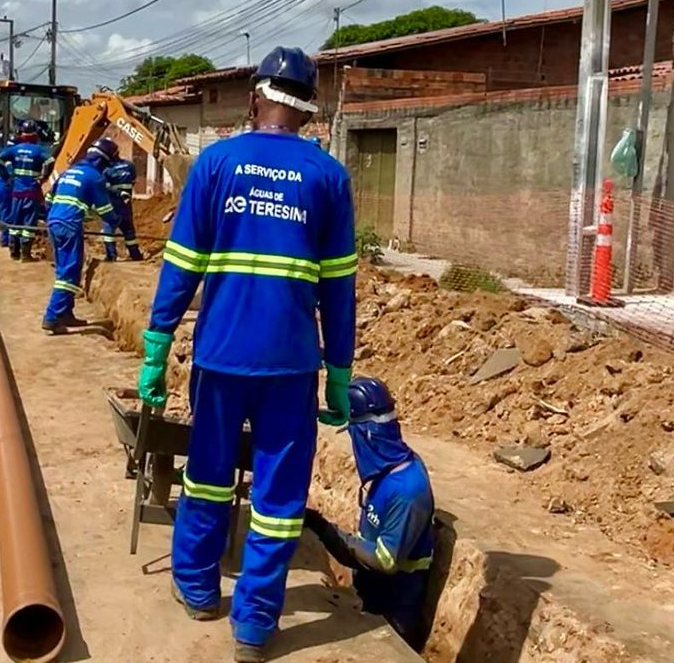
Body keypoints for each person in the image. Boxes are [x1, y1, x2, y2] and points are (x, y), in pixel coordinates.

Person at [136, 46, 357, 662]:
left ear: (256, 99)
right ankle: (256, 629)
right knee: (280, 501)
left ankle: (199, 589)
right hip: (291, 366)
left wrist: (157, 345)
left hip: (220, 358)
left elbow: (180, 267)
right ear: (307, 114)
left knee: (206, 477)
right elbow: (339, 288)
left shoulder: (216, 164)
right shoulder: (327, 178)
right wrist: (338, 372)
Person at [304, 377, 435, 651]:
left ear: (366, 435)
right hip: (372, 593)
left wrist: (330, 534)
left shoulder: (408, 491)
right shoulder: (389, 470)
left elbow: (386, 560)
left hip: (395, 612)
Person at [41, 137, 120, 333]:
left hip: (54, 221)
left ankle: (66, 314)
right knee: (69, 272)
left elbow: (49, 199)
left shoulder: (69, 171)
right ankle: (51, 317)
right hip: (69, 225)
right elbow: (105, 210)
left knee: (63, 269)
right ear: (102, 161)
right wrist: (118, 222)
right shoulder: (94, 177)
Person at [0, 119, 54, 261]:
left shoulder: (15, 149)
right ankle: (25, 254)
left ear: (21, 133)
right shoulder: (39, 150)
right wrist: (43, 177)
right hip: (32, 191)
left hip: (17, 191)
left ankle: (14, 252)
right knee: (28, 223)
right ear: (36, 134)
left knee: (15, 221)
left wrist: (6, 177)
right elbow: (50, 161)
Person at [102, 156, 143, 261]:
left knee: (109, 231)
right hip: (126, 203)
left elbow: (104, 186)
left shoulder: (106, 168)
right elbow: (133, 180)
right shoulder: (129, 165)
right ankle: (135, 255)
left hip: (112, 204)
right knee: (129, 230)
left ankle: (111, 256)